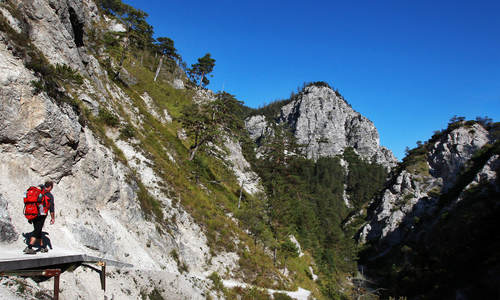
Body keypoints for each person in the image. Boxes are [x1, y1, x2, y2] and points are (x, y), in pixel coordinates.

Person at [23, 181, 55, 254]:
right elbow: (51, 208)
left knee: (38, 230)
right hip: (42, 215)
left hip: (34, 212)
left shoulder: (39, 191)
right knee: (37, 230)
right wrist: (52, 218)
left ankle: (43, 247)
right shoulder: (49, 195)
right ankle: (29, 247)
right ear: (50, 187)